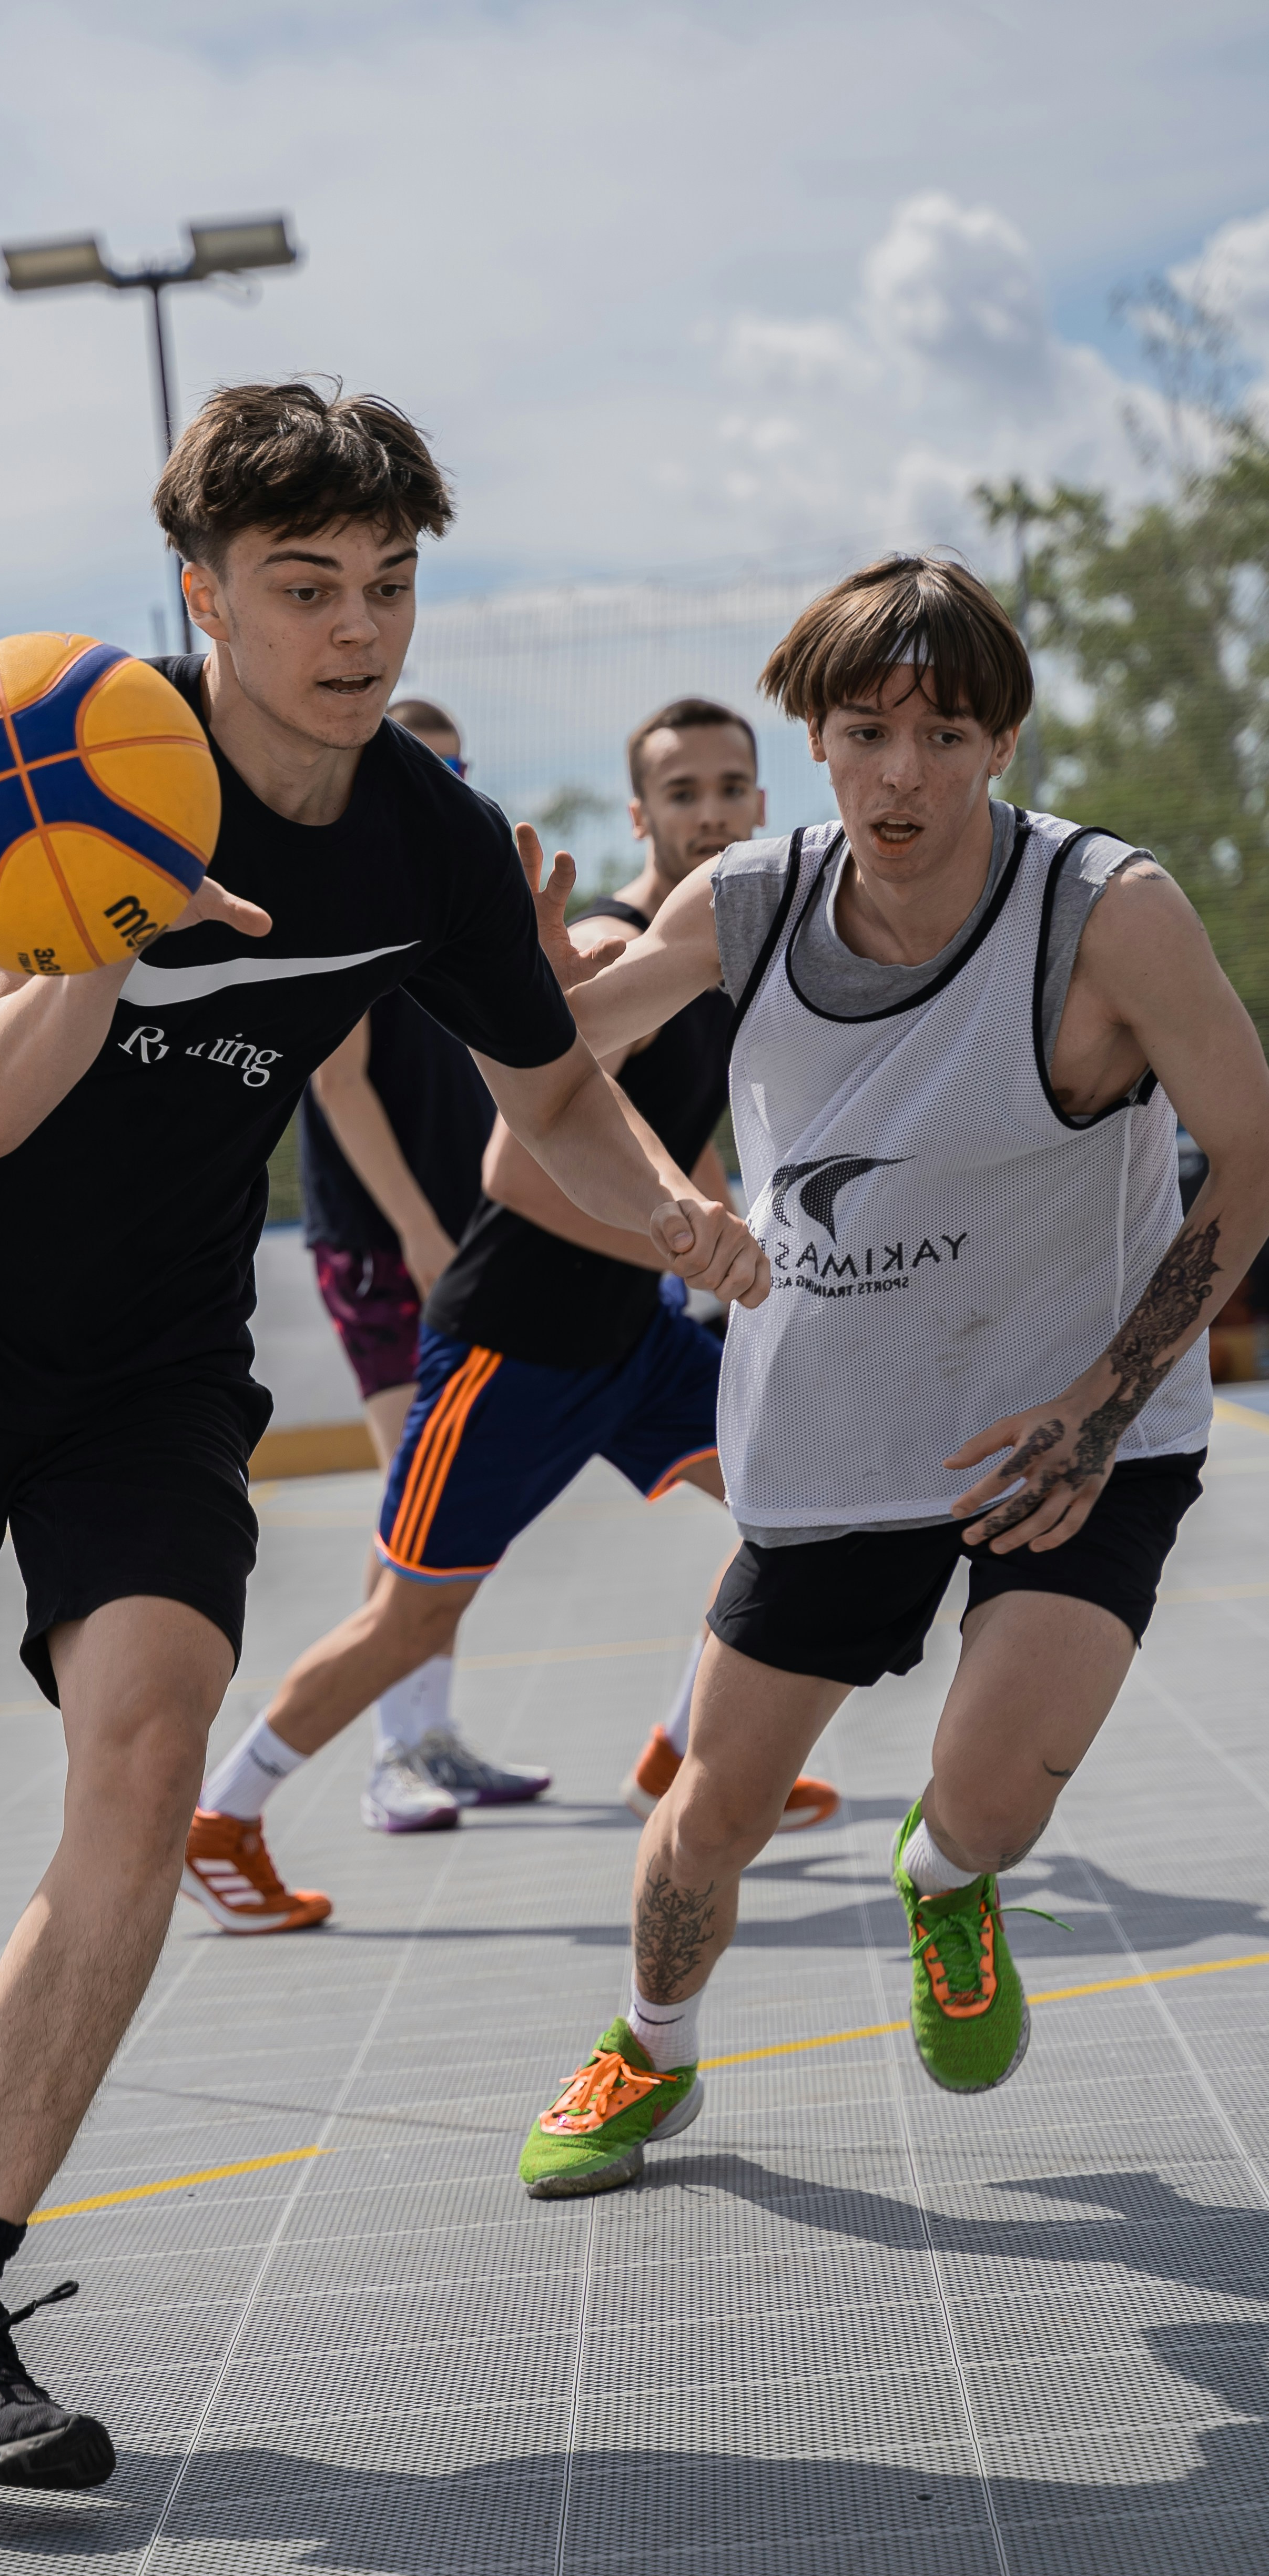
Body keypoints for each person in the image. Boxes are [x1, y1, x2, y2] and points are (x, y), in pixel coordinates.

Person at [0, 380, 768, 2490]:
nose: (354, 623)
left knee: (139, 1747)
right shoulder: (79, 755)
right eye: (302, 584)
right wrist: (121, 910)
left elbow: (541, 1095)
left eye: (385, 581)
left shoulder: (424, 838)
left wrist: (664, 1210)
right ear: (198, 592)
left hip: (143, 1368)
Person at [516, 551, 1269, 2199]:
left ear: (1000, 742)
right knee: (710, 1816)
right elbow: (544, 1088)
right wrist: (598, 1121)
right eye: (864, 732)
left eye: (942, 736)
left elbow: (1252, 1143)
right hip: (835, 1428)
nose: (901, 774)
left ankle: (947, 1883)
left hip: (1073, 1428)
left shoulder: (1101, 909)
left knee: (995, 1794)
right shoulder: (744, 903)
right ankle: (647, 2051)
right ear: (815, 740)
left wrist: (1100, 1391)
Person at [191, 700, 836, 1891]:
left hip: (630, 1338)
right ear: (642, 815)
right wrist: (677, 1233)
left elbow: (674, 1147)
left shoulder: (720, 953)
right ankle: (223, 1817)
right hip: (513, 1344)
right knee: (409, 1620)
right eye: (682, 791)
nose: (710, 809)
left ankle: (683, 1745)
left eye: (729, 786)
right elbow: (518, 1161)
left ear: (761, 800)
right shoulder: (616, 943)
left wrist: (742, 1252)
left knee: (798, 1507)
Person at [281, 690, 550, 1841]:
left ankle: (426, 1731)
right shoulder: (340, 901)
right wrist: (418, 1235)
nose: (433, 784)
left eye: (453, 767)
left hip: (464, 1226)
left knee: (455, 1504)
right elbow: (338, 1087)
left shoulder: (459, 896)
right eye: (414, 763)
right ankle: (388, 1752)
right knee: (417, 1499)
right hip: (379, 1241)